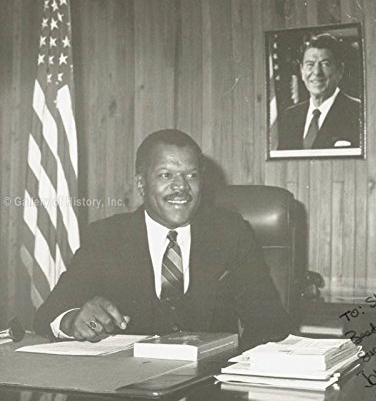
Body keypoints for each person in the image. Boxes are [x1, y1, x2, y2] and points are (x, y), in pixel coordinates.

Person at [34, 129, 293, 349]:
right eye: (166, 175)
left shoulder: (231, 233)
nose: (181, 187)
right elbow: (48, 314)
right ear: (141, 183)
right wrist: (74, 320)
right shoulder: (106, 237)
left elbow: (269, 321)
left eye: (191, 175)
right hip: (128, 382)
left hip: (208, 382)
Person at [277, 33, 361, 150]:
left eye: (325, 64)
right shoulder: (289, 117)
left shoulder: (358, 112)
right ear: (302, 71)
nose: (316, 72)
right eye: (310, 65)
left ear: (340, 70)